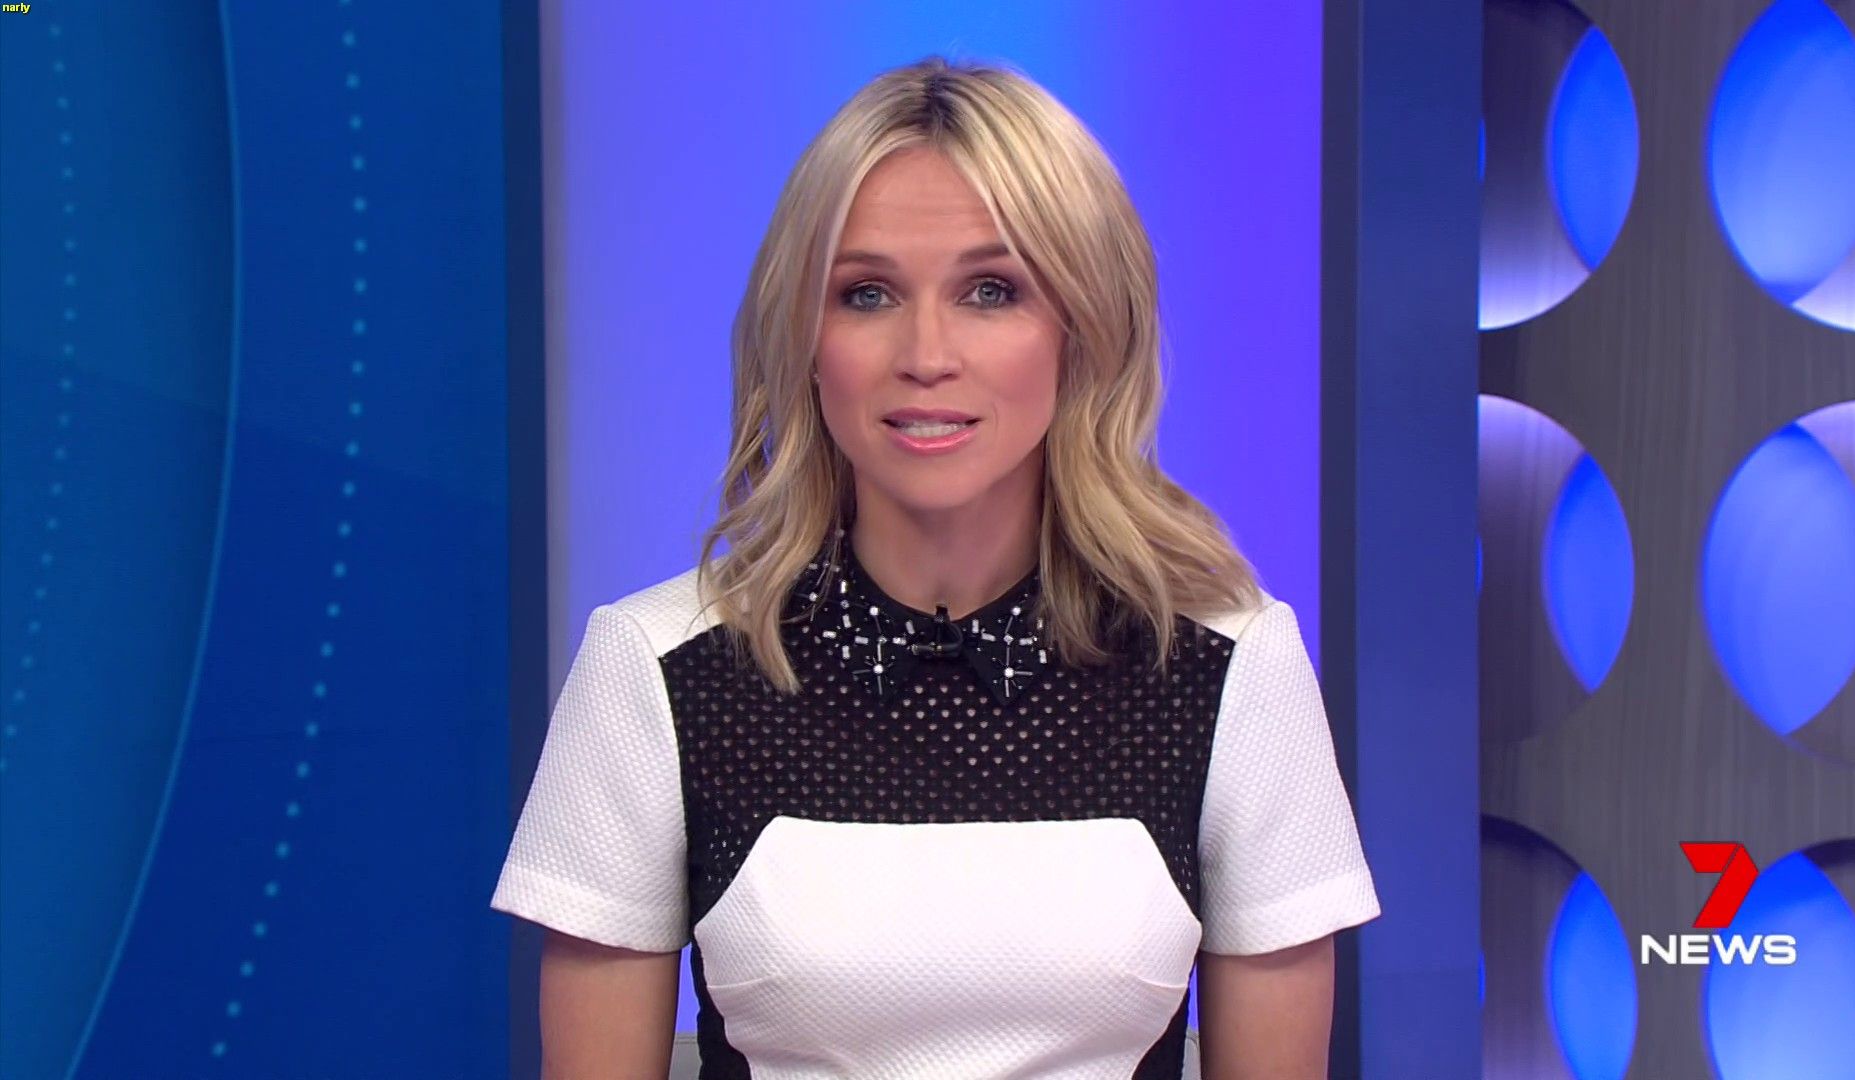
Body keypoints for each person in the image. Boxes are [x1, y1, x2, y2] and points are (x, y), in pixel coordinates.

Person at [491, 55, 1379, 1080]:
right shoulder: (653, 668)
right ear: (804, 336)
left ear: (1083, 326)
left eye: (991, 291)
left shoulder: (1229, 666)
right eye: (866, 293)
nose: (925, 353)